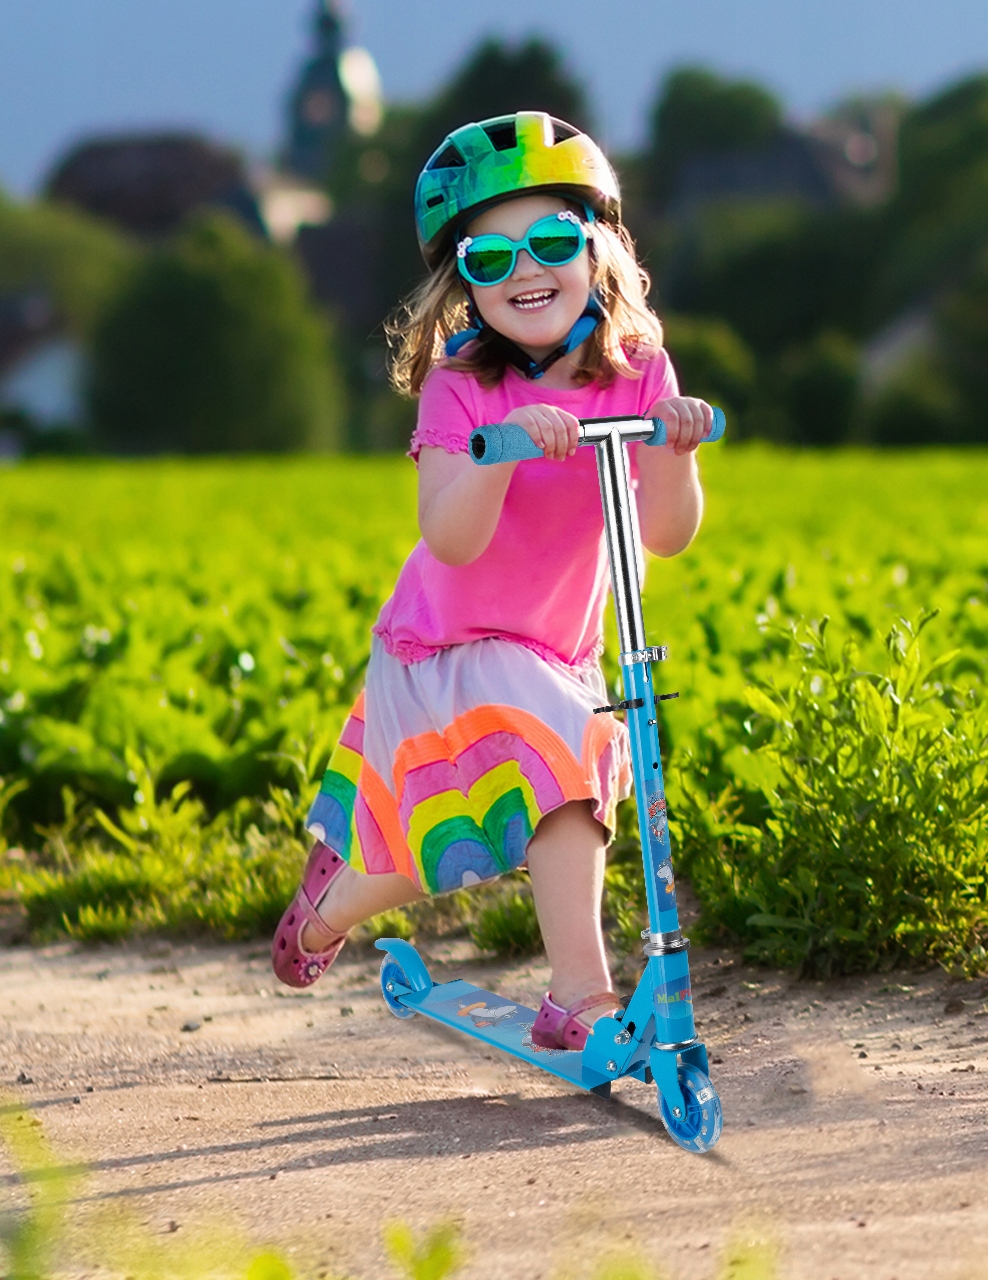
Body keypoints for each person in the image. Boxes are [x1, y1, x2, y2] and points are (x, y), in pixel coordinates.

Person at [271, 111, 714, 1051]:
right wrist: (505, 450)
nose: (525, 272)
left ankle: (325, 910)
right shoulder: (462, 388)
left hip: (557, 653)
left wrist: (670, 447)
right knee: (570, 766)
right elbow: (452, 539)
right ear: (460, 282)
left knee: (439, 849)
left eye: (551, 241)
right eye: (489, 258)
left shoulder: (639, 370)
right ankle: (581, 998)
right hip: (446, 648)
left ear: (596, 250)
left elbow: (669, 534)